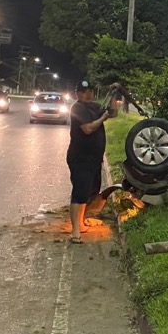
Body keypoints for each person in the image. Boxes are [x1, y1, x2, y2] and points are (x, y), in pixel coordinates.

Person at [66, 80, 109, 243]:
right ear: (77, 93)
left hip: (93, 158)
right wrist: (102, 119)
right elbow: (88, 129)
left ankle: (81, 222)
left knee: (89, 190)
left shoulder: (94, 106)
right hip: (80, 157)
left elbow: (112, 112)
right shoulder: (77, 108)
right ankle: (75, 231)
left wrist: (115, 92)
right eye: (84, 91)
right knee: (79, 191)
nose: (88, 94)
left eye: (90, 90)